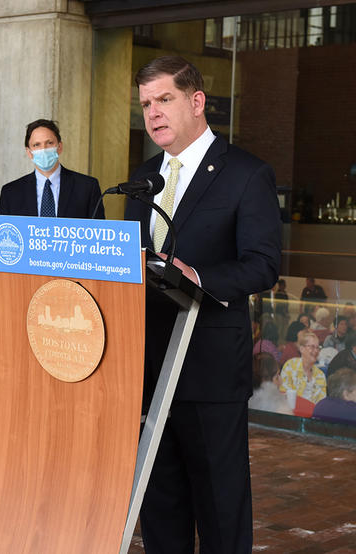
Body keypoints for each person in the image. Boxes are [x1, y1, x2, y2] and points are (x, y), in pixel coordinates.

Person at [123, 56, 282, 553]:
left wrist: (199, 276)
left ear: (196, 102)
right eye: (146, 103)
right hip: (149, 369)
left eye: (164, 99)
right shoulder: (144, 176)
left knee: (220, 504)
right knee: (161, 504)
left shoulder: (246, 174)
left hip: (209, 368)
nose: (153, 113)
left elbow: (262, 264)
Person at [0, 119, 104, 219]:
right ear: (29, 152)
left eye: (49, 143)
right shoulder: (11, 193)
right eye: (36, 145)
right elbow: (2, 233)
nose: (43, 149)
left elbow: (100, 233)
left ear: (59, 147)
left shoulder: (87, 188)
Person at [280, 330, 327, 404]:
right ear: (302, 349)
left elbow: (321, 404)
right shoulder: (290, 366)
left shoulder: (320, 375)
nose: (316, 351)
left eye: (318, 347)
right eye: (312, 347)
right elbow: (284, 395)